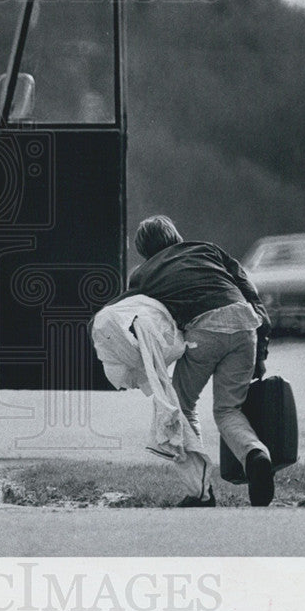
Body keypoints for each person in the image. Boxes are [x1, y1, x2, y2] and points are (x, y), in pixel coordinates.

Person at [118, 215, 274, 507]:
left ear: (143, 250)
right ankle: (255, 455)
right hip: (245, 327)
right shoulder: (208, 250)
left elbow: (126, 310)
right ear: (176, 235)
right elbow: (252, 296)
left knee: (181, 407)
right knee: (228, 409)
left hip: (204, 330)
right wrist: (261, 352)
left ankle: (201, 490)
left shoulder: (143, 273)